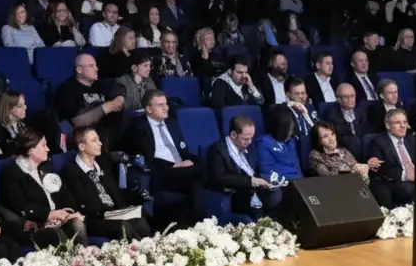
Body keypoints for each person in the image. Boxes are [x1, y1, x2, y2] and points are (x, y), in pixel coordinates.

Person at [59, 127, 151, 240]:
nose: (100, 143)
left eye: (98, 139)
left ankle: (151, 248)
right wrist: (109, 212)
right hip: (96, 218)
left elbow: (116, 194)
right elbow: (84, 203)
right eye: (94, 140)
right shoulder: (71, 171)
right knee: (123, 226)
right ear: (82, 146)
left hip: (116, 212)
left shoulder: (103, 164)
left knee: (143, 217)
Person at [0, 129, 87, 246]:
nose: (48, 149)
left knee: (78, 223)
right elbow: (20, 206)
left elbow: (64, 192)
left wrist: (68, 211)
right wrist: (49, 214)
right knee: (55, 233)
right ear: (31, 150)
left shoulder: (47, 167)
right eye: (43, 145)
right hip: (37, 222)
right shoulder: (12, 174)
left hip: (59, 217)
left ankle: (84, 255)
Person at [122, 89, 203, 217]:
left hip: (182, 170)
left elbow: (182, 150)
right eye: (160, 105)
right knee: (199, 176)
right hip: (161, 172)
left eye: (166, 104)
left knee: (198, 175)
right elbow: (146, 158)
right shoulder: (138, 127)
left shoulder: (172, 122)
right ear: (149, 109)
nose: (166, 108)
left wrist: (191, 160)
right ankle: (202, 221)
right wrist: (173, 165)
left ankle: (199, 221)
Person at [207, 114, 281, 217]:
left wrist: (266, 180)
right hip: (236, 194)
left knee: (282, 194)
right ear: (233, 135)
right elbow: (219, 177)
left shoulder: (247, 147)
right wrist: (251, 181)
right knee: (272, 199)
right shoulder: (217, 150)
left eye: (251, 138)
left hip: (253, 190)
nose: (249, 142)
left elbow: (254, 169)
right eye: (246, 139)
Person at [53, 53, 125, 132]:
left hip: (109, 128)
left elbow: (119, 87)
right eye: (91, 66)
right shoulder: (66, 89)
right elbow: (74, 121)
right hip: (86, 132)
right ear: (79, 70)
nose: (96, 69)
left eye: (96, 65)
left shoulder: (100, 83)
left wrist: (120, 98)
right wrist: (104, 108)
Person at [364, 108, 416, 208]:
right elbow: (381, 168)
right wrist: (407, 174)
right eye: (397, 123)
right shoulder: (378, 142)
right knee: (409, 188)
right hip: (396, 182)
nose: (402, 126)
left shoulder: (412, 139)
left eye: (405, 122)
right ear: (388, 125)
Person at [308, 121, 380, 179]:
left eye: (332, 134)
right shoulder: (315, 155)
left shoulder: (343, 150)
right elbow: (329, 176)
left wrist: (368, 165)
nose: (331, 139)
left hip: (355, 184)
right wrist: (353, 171)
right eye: (325, 136)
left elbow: (355, 165)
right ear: (318, 141)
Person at [256, 106, 304, 183]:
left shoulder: (291, 141)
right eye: (289, 129)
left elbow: (297, 168)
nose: (291, 132)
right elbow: (267, 173)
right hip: (281, 185)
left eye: (292, 129)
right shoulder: (264, 142)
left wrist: (302, 182)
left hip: (299, 183)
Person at [321, 82, 368, 157]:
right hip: (343, 151)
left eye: (352, 96)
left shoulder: (362, 111)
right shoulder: (331, 115)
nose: (350, 99)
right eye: (346, 97)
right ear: (338, 99)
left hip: (363, 149)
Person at [0, 89, 29, 158]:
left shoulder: (22, 125)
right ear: (8, 108)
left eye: (24, 104)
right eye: (20, 106)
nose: (25, 107)